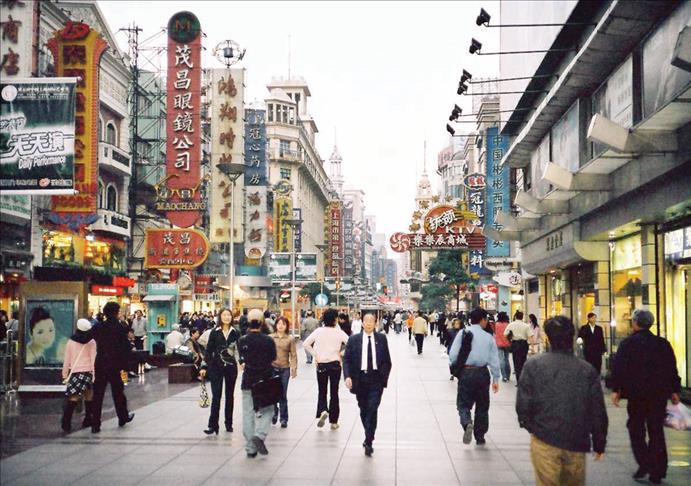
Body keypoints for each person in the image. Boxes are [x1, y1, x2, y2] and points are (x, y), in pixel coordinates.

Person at [516, 315, 607, 486]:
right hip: (576, 440)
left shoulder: (534, 365)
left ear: (548, 337)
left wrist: (532, 426)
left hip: (544, 437)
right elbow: (597, 409)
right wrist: (599, 442)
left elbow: (523, 403)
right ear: (572, 336)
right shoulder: (586, 370)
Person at [610, 309, 681, 484]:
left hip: (636, 395)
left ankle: (645, 463)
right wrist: (674, 390)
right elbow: (671, 368)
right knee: (656, 430)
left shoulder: (627, 344)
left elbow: (619, 368)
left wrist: (616, 389)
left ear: (635, 323)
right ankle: (658, 470)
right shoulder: (662, 344)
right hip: (658, 395)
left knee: (636, 429)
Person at [448, 307, 500, 445]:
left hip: (466, 372)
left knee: (463, 404)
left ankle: (467, 423)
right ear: (482, 320)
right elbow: (494, 360)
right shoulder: (488, 337)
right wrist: (496, 379)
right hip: (482, 373)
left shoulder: (463, 333)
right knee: (482, 405)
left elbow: (453, 354)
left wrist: (455, 366)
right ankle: (480, 436)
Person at [343, 312, 392, 457]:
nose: (369, 323)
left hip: (376, 380)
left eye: (372, 321)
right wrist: (347, 376)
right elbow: (346, 360)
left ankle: (369, 441)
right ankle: (369, 433)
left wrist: (383, 377)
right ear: (362, 323)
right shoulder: (353, 340)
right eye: (366, 321)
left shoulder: (381, 339)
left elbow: (387, 360)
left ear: (375, 323)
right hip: (360, 379)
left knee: (372, 408)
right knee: (363, 409)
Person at [238, 309, 277, 458]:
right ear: (262, 323)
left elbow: (242, 358)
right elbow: (273, 357)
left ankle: (250, 448)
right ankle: (259, 435)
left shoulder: (242, 340)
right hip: (265, 379)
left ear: (248, 322)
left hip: (248, 380)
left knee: (248, 413)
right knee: (268, 410)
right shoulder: (268, 340)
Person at [90, 301, 134, 433]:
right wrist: (126, 365)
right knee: (118, 392)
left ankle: (95, 424)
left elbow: (91, 338)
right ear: (116, 312)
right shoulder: (119, 327)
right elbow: (125, 347)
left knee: (98, 394)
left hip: (101, 362)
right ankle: (122, 417)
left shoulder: (98, 326)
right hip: (115, 364)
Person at [303, 308, 349, 430]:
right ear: (335, 319)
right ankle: (334, 421)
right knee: (334, 392)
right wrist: (341, 353)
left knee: (322, 390)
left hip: (321, 364)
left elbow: (306, 344)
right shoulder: (339, 332)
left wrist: (316, 355)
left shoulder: (318, 331)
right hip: (335, 364)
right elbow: (351, 344)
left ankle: (323, 410)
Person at [200, 308, 240, 434]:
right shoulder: (214, 332)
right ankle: (213, 425)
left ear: (232, 317)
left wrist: (243, 361)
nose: (227, 317)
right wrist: (204, 367)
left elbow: (240, 349)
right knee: (216, 396)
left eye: (229, 315)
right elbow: (208, 351)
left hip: (231, 367)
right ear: (220, 317)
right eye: (224, 315)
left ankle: (229, 423)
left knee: (229, 396)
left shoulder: (236, 332)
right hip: (216, 367)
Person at [61, 318, 97, 432]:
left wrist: (64, 374)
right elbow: (93, 358)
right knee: (88, 395)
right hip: (88, 371)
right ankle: (88, 419)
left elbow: (67, 358)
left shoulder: (71, 341)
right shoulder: (91, 341)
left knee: (74, 396)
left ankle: (66, 421)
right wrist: (94, 374)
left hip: (75, 371)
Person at [270, 316, 297, 428]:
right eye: (279, 323)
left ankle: (284, 418)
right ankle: (274, 413)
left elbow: (293, 354)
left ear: (286, 326)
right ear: (276, 325)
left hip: (284, 369)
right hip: (272, 368)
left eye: (283, 324)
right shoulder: (270, 337)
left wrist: (294, 368)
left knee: (282, 394)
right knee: (272, 393)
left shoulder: (290, 339)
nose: (281, 326)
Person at [504, 311, 530, 382]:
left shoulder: (511, 325)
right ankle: (523, 378)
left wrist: (510, 340)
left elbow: (505, 334)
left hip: (515, 344)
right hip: (524, 344)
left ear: (515, 317)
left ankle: (519, 380)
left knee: (516, 362)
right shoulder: (526, 325)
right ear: (522, 317)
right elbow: (530, 336)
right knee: (523, 361)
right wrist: (532, 347)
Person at [494, 312, 512, 383]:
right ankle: (508, 376)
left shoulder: (496, 324)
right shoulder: (508, 324)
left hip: (499, 344)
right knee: (506, 359)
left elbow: (494, 333)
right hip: (507, 344)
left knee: (501, 361)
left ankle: (504, 376)